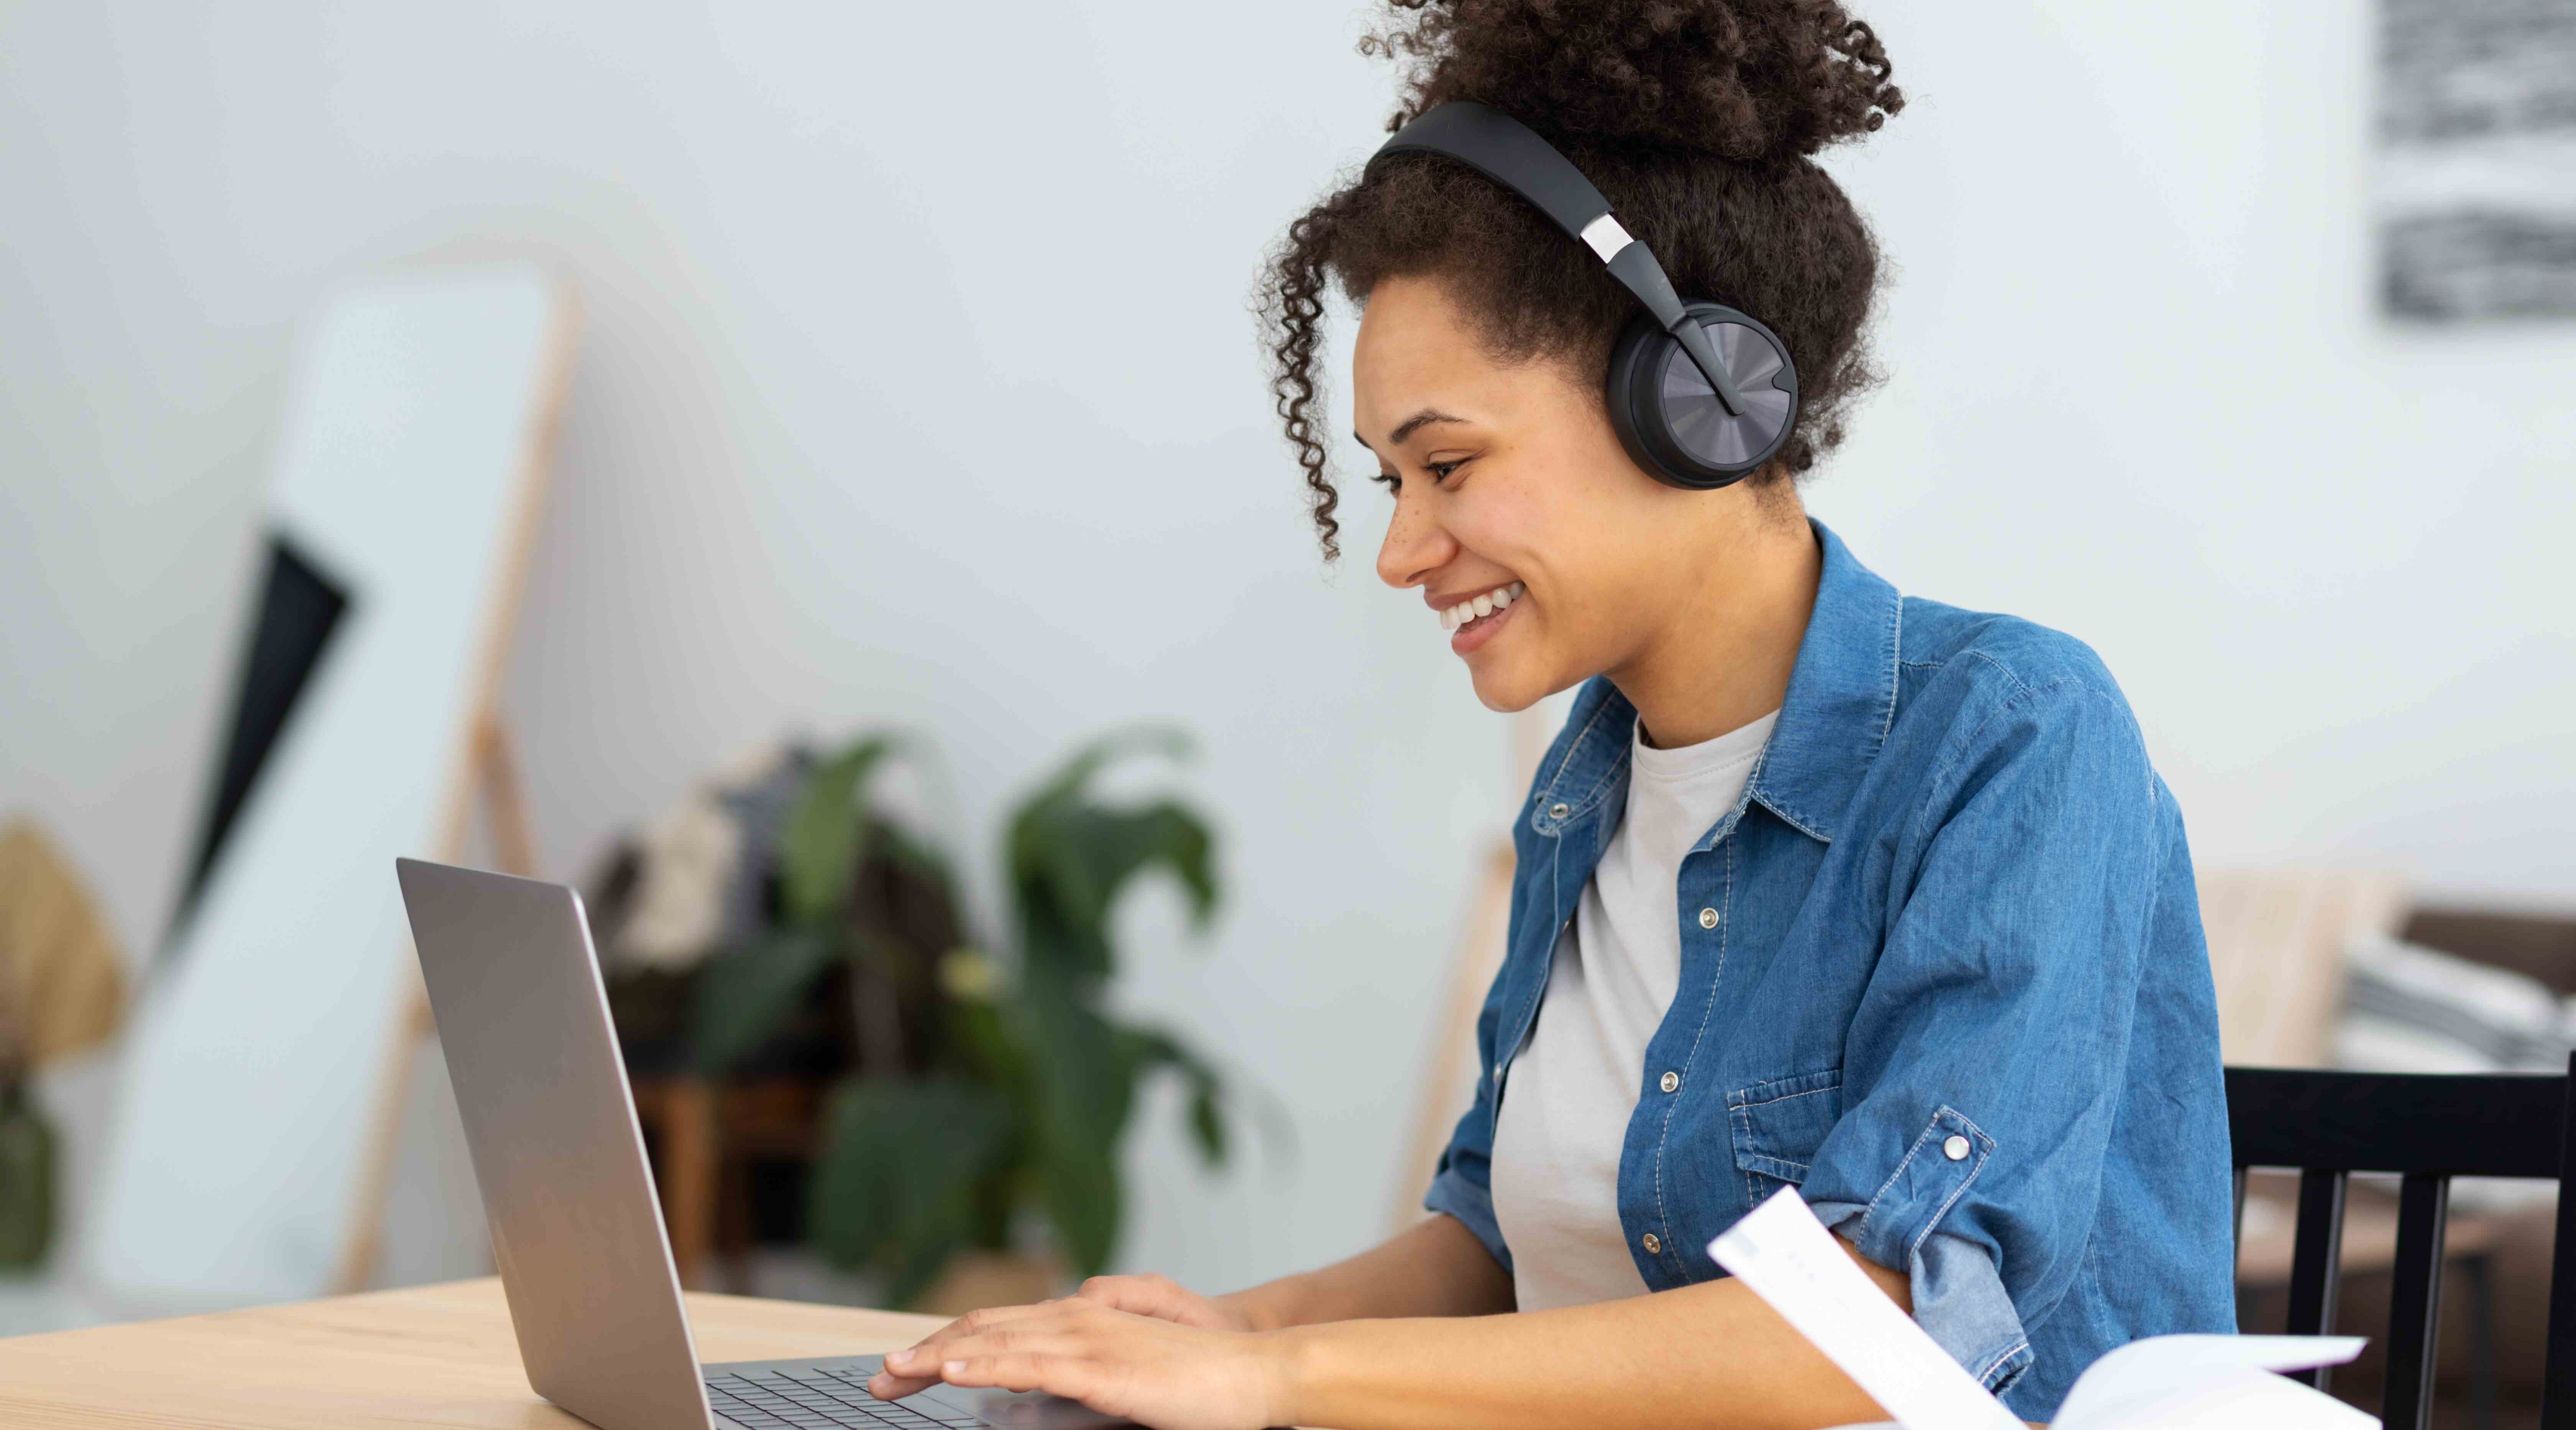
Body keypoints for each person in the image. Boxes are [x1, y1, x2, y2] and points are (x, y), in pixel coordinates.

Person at [867, 2, 2236, 1425]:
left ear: (1695, 400)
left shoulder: (2014, 736)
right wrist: (1207, 1329)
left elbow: (1877, 1327)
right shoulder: (1591, 787)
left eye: (1446, 465)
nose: (1400, 549)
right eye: (1391, 483)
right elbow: (1494, 1239)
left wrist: (1275, 1374)